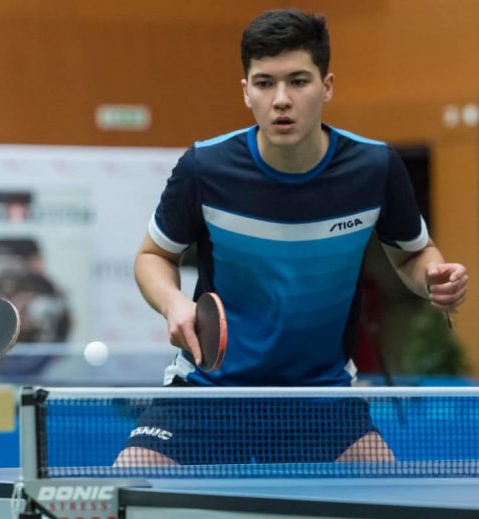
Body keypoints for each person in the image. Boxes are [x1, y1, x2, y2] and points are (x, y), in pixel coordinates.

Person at [115, 9, 468, 468]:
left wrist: (434, 278)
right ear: (246, 91)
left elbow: (413, 255)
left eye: (298, 81)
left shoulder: (374, 169)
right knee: (124, 485)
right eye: (265, 83)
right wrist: (173, 302)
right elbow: (153, 255)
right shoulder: (205, 168)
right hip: (208, 392)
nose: (281, 99)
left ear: (327, 86)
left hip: (321, 399)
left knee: (387, 492)